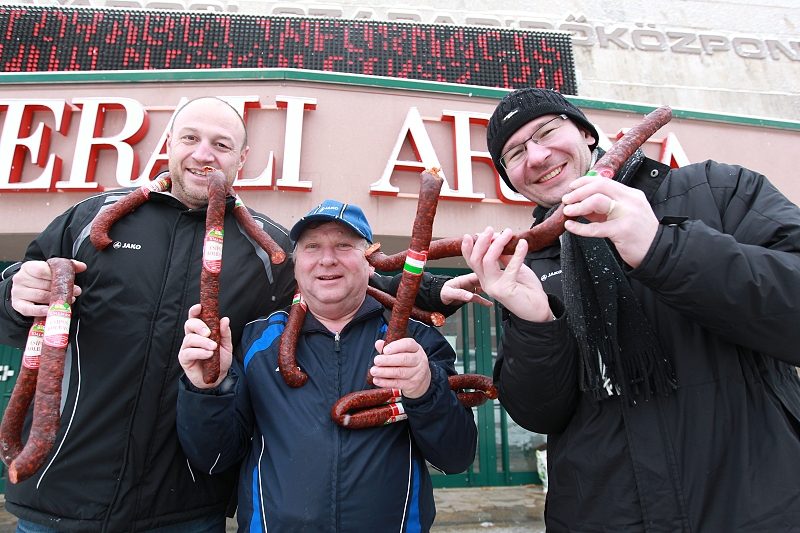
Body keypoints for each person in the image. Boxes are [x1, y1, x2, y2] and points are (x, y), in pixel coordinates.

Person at [0, 97, 473, 532]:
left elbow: (338, 284)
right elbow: (16, 309)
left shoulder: (265, 247)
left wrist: (432, 290)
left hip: (184, 504)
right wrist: (13, 295)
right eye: (191, 138)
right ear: (169, 143)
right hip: (60, 491)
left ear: (241, 159)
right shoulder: (91, 219)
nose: (204, 154)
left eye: (221, 144)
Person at [462, 88, 800, 531]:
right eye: (515, 153)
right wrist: (536, 324)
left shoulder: (718, 190)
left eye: (546, 132)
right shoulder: (531, 263)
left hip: (757, 508)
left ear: (586, 133)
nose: (537, 156)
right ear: (511, 178)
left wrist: (663, 249)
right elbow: (538, 414)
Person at [175, 199, 479, 532]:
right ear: (295, 265)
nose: (327, 259)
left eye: (344, 245)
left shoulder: (418, 341)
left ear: (370, 263)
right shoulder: (256, 342)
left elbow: (456, 457)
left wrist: (425, 388)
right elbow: (215, 458)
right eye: (312, 247)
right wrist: (207, 389)